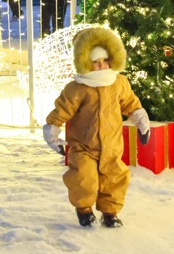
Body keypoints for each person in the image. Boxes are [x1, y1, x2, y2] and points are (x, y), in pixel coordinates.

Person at [42, 27, 151, 228]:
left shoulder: (119, 82)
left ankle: (110, 213)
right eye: (95, 62)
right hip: (83, 146)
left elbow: (130, 103)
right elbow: (62, 109)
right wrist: (53, 130)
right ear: (85, 62)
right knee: (84, 179)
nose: (101, 66)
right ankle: (84, 210)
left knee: (114, 179)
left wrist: (140, 120)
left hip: (111, 145)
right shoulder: (77, 88)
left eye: (104, 60)